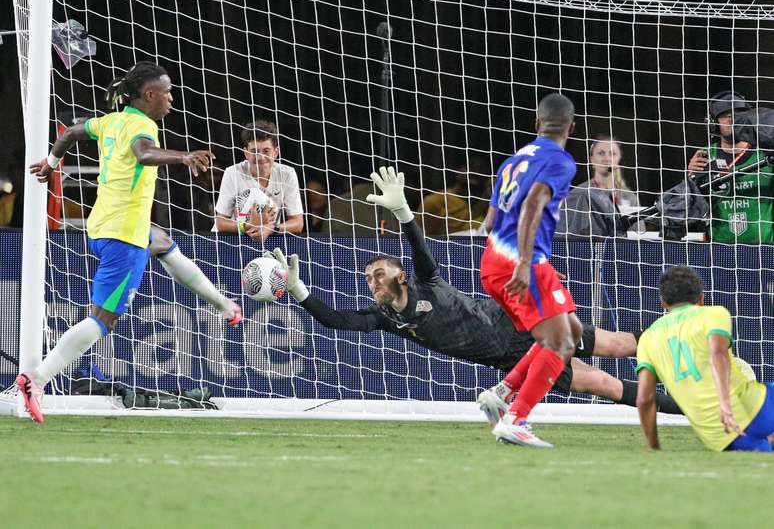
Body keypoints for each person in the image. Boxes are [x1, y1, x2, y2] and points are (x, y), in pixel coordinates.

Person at [264, 166, 681, 425]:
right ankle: (688, 407)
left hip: (522, 322)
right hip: (513, 359)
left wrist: (404, 213)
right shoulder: (389, 319)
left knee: (621, 344)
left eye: (378, 273)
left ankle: (685, 346)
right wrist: (300, 291)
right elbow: (337, 321)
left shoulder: (425, 282)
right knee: (606, 385)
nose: (371, 281)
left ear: (401, 277)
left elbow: (421, 250)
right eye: (368, 277)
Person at [16, 61, 243, 423]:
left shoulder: (110, 120)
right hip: (124, 236)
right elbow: (144, 154)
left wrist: (51, 161)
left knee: (163, 242)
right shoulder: (141, 124)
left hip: (104, 224)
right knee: (102, 320)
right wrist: (183, 157)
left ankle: (224, 304)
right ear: (149, 95)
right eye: (167, 91)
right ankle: (36, 380)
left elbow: (71, 132)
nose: (171, 98)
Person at [477, 93, 581, 448]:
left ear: (537, 124)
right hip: (519, 262)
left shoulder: (512, 161)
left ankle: (502, 393)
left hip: (495, 259)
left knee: (573, 329)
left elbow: (490, 223)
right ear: (572, 126)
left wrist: (534, 262)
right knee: (559, 342)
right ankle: (516, 418)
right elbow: (534, 204)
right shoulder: (562, 162)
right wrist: (525, 262)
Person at [636, 266, 774, 451]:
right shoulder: (713, 313)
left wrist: (653, 447)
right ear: (701, 298)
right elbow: (718, 354)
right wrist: (725, 404)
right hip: (754, 407)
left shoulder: (647, 338)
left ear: (663, 302)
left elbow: (644, 399)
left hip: (719, 435)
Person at [687, 91, 773, 243]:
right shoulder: (705, 156)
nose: (733, 119)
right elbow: (693, 208)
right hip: (720, 248)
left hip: (765, 248)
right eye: (726, 115)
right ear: (713, 122)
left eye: (739, 112)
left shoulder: (766, 153)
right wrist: (691, 178)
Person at [213, 119, 303, 240]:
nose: (260, 157)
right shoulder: (232, 173)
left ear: (276, 152)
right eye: (254, 151)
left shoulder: (287, 174)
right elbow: (221, 223)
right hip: (231, 240)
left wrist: (271, 228)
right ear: (246, 153)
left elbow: (298, 223)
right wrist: (249, 226)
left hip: (268, 237)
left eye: (266, 151)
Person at [558, 135, 636, 237]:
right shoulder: (578, 194)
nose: (607, 158)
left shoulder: (630, 197)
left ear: (619, 159)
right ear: (592, 159)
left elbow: (638, 234)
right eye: (601, 153)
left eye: (613, 153)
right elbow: (562, 233)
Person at [419, 158, 491, 235]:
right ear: (457, 171)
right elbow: (421, 234)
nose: (475, 172)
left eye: (480, 169)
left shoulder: (487, 203)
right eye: (470, 167)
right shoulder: (436, 201)